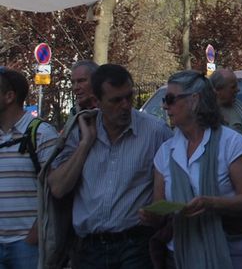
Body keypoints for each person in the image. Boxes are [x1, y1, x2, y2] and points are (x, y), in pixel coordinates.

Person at [50, 64, 172, 269]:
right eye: (116, 100)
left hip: (136, 246)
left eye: (129, 97)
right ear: (97, 101)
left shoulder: (155, 132)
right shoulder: (80, 131)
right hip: (89, 248)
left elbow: (177, 180)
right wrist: (86, 143)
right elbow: (58, 188)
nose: (125, 105)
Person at [142, 70, 242, 268]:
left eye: (170, 99)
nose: (164, 106)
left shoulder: (230, 143)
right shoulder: (165, 152)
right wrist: (151, 215)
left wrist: (212, 203)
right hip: (180, 255)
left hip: (229, 253)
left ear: (194, 100)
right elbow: (159, 206)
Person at [0, 68, 58, 269]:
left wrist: (34, 236)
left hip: (27, 245)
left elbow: (55, 192)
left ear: (9, 97)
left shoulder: (42, 133)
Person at [211, 68, 242, 146]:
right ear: (217, 90)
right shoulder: (203, 110)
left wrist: (241, 140)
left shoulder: (238, 106)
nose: (238, 89)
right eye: (233, 87)